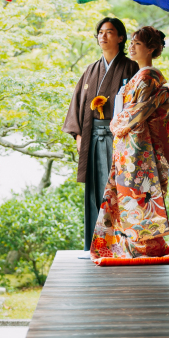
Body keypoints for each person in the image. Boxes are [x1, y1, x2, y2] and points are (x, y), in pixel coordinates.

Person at [89, 26, 169, 260]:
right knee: (130, 194)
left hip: (139, 148)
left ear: (152, 48)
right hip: (132, 145)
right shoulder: (141, 75)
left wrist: (114, 125)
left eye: (138, 43)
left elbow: (137, 112)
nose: (131, 46)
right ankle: (137, 242)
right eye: (131, 42)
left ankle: (144, 245)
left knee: (139, 194)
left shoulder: (147, 76)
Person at [63, 17, 139, 251]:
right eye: (100, 32)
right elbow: (78, 103)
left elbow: (135, 104)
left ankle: (119, 245)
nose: (103, 36)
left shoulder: (130, 68)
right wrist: (78, 136)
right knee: (96, 189)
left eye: (109, 32)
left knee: (118, 189)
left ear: (121, 38)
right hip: (92, 136)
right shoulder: (91, 70)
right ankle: (94, 245)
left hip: (119, 136)